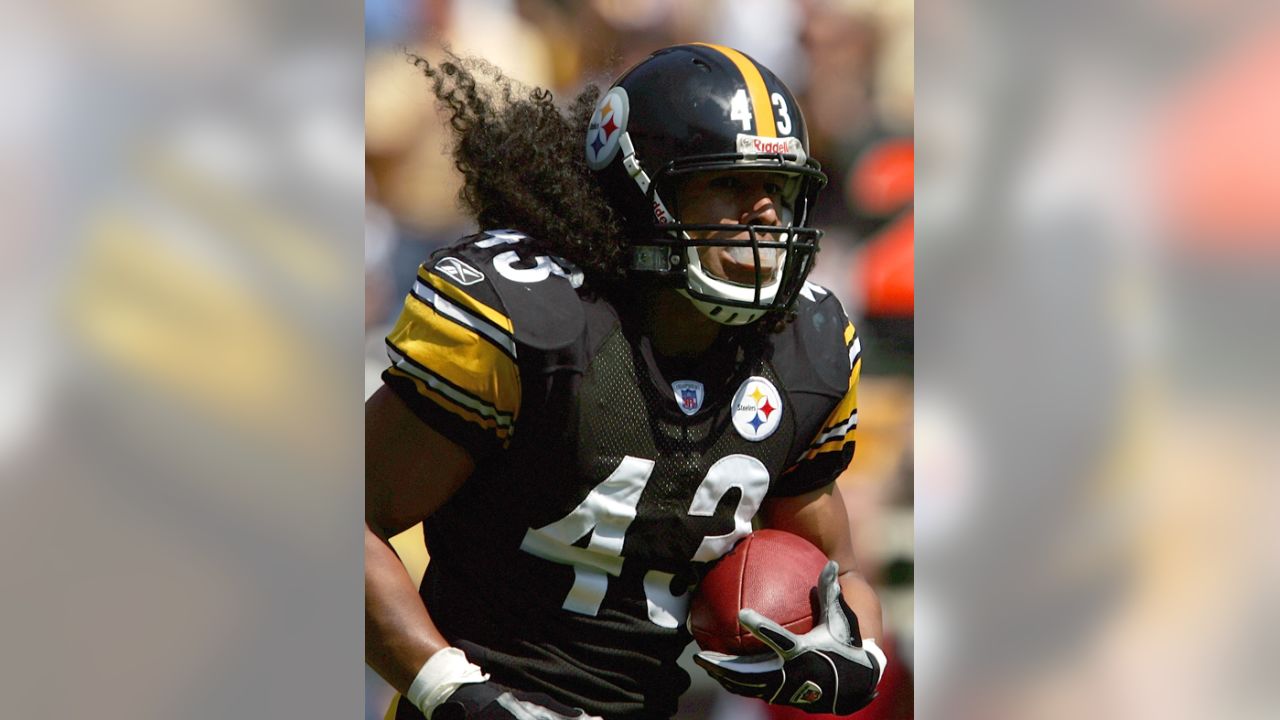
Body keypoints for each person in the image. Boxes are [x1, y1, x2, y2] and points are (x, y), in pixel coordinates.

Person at [366, 44, 886, 720]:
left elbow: (839, 574)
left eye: (780, 190)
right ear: (641, 191)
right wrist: (454, 691)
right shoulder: (537, 324)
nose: (764, 215)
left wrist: (853, 651)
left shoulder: (802, 348)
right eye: (728, 184)